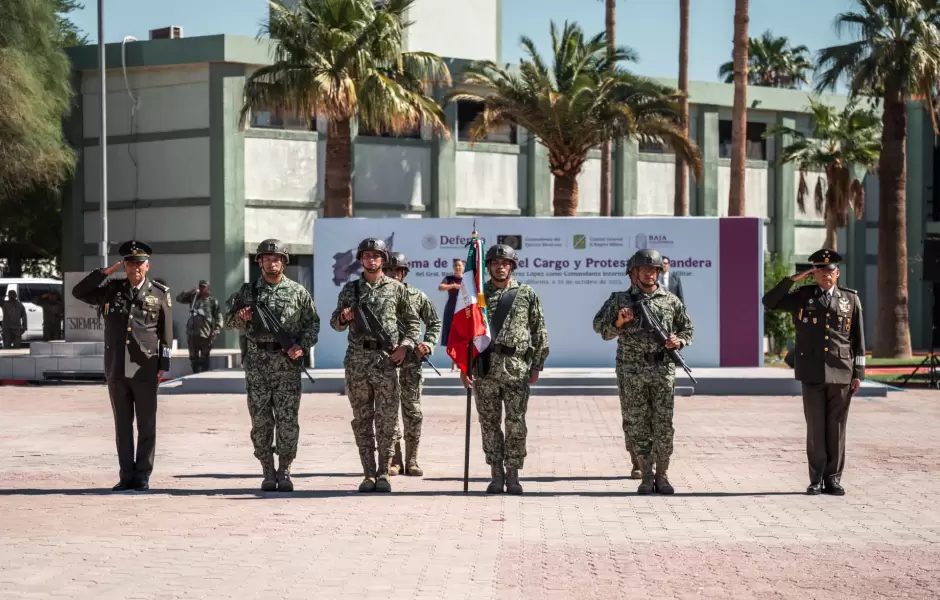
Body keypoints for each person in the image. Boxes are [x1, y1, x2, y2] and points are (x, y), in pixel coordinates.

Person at [71, 240, 173, 492]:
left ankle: (142, 475)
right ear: (124, 265)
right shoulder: (111, 289)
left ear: (147, 266)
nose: (134, 267)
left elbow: (165, 333)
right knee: (123, 426)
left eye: (139, 263)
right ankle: (126, 475)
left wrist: (164, 364)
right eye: (129, 263)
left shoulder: (159, 293)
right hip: (116, 367)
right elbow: (79, 292)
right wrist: (104, 273)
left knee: (146, 424)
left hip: (145, 368)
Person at [762, 248, 865, 496]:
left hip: (841, 371)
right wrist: (792, 279)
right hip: (811, 371)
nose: (825, 275)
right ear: (813, 273)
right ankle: (816, 479)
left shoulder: (850, 299)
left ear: (837, 273)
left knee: (837, 428)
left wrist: (858, 373)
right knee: (816, 428)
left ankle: (834, 479)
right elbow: (769, 301)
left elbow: (858, 338)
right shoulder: (803, 296)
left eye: (829, 271)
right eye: (819, 271)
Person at [592, 248, 694, 495]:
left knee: (663, 424)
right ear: (633, 273)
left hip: (662, 370)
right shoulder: (620, 300)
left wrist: (678, 340)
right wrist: (619, 321)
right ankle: (646, 474)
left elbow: (687, 329)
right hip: (631, 371)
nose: (649, 273)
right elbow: (601, 329)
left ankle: (663, 474)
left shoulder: (670, 300)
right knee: (637, 423)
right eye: (644, 269)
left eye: (653, 270)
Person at [225, 239, 320, 492]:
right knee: (261, 420)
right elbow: (228, 323)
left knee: (288, 420)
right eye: (266, 259)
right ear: (259, 262)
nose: (271, 263)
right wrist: (241, 317)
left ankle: (285, 469)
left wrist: (301, 346)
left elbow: (313, 324)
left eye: (276, 259)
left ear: (284, 262)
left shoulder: (298, 292)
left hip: (287, 364)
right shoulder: (247, 292)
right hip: (257, 364)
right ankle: (267, 469)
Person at [330, 238, 421, 493]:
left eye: (376, 255)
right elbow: (335, 324)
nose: (371, 260)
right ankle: (368, 473)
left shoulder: (396, 289)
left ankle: (384, 472)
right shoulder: (350, 290)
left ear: (384, 259)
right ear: (361, 259)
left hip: (385, 363)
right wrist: (343, 318)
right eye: (367, 256)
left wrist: (405, 347)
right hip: (357, 362)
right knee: (362, 419)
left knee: (387, 420)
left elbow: (413, 323)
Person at [460, 244, 549, 495]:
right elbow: (464, 333)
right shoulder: (476, 295)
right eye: (496, 263)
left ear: (512, 266)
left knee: (516, 423)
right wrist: (464, 366)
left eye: (506, 263)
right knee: (489, 424)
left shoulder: (526, 293)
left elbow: (539, 330)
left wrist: (537, 364)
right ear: (488, 266)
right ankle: (496, 474)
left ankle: (513, 474)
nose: (501, 267)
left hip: (516, 369)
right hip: (485, 369)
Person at [383, 252, 442, 477]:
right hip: (385, 362)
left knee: (413, 412)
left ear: (404, 273)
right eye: (388, 270)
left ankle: (412, 459)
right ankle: (395, 459)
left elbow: (434, 322)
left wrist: (428, 344)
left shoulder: (417, 296)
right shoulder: (377, 296)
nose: (392, 274)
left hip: (411, 364)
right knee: (389, 413)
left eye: (397, 270)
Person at [177, 280, 223, 373]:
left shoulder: (212, 302)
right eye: (200, 287)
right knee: (193, 358)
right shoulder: (193, 298)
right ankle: (195, 374)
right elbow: (179, 299)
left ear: (208, 288)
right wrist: (190, 291)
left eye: (203, 287)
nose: (201, 289)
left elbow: (218, 316)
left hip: (205, 334)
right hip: (192, 333)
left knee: (204, 358)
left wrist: (217, 328)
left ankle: (204, 376)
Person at [439, 259, 465, 370]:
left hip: (463, 309)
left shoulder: (467, 279)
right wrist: (453, 286)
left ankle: (462, 362)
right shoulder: (449, 278)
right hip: (451, 308)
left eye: (459, 265)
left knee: (462, 336)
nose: (457, 267)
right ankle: (454, 362)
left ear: (463, 267)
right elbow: (441, 287)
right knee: (451, 336)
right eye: (455, 265)